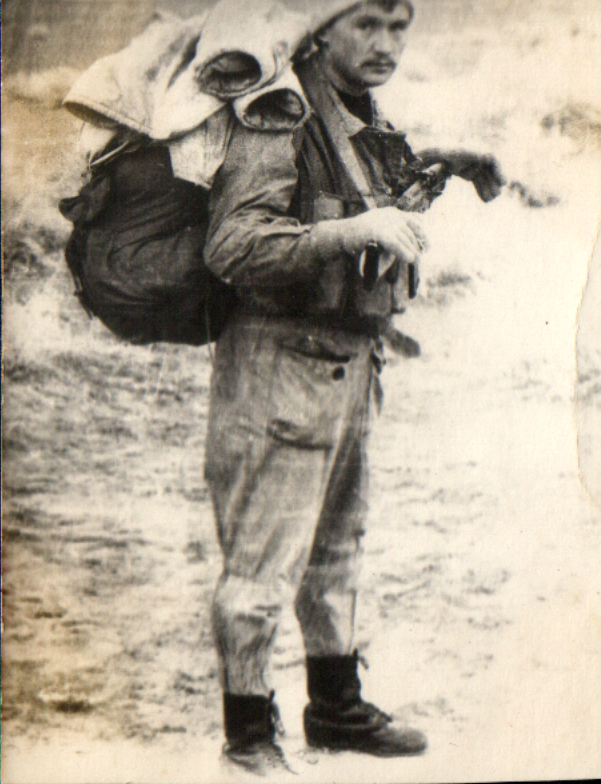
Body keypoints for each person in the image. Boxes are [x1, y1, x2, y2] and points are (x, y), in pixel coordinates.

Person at [203, 0, 504, 772]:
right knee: (261, 565)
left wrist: (442, 164)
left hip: (350, 362)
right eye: (366, 24)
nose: (386, 43)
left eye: (399, 25)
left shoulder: (357, 110)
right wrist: (352, 232)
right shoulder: (279, 112)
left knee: (337, 549)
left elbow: (357, 198)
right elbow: (232, 245)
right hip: (276, 369)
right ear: (323, 27)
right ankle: (247, 739)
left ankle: (335, 710)